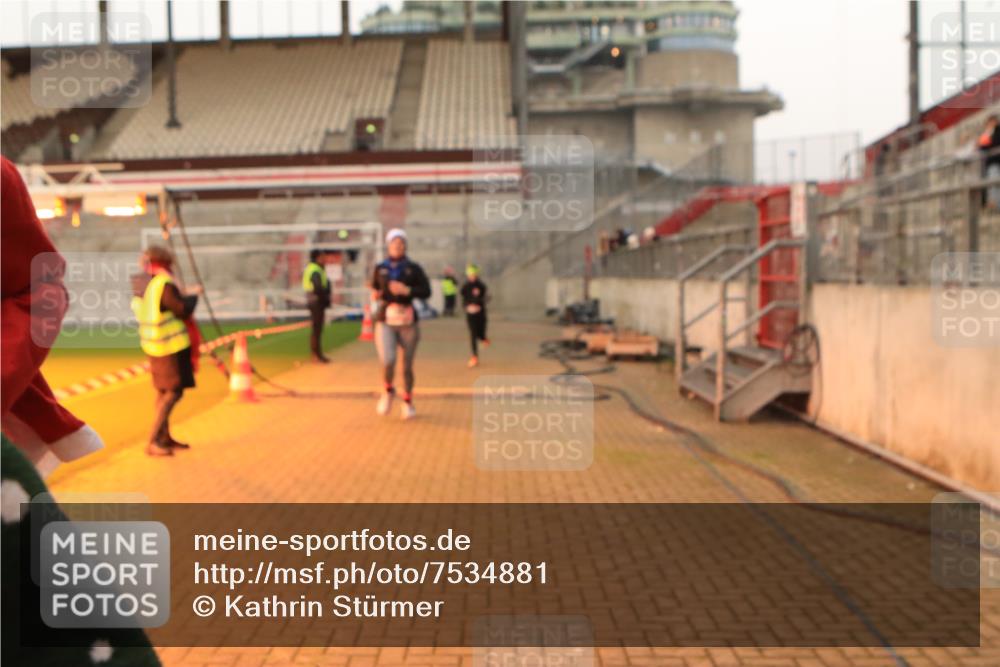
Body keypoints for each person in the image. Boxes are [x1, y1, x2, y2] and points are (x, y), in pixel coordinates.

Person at [131, 246, 200, 457]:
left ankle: (164, 437)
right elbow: (180, 309)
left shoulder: (142, 282)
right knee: (173, 391)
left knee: (162, 391)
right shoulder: (163, 283)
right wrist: (193, 296)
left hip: (154, 345)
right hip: (170, 347)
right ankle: (153, 440)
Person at [370, 229, 431, 419]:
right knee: (387, 360)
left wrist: (408, 290)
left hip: (407, 321)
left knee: (407, 366)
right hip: (386, 319)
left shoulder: (413, 268)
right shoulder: (381, 267)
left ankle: (408, 401)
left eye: (401, 243)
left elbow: (426, 291)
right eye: (394, 244)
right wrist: (376, 293)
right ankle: (388, 390)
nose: (398, 247)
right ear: (388, 246)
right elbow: (374, 286)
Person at [302, 248, 331, 363]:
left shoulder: (316, 269)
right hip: (316, 302)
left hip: (316, 302)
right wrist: (325, 298)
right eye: (323, 257)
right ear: (318, 257)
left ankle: (317, 354)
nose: (325, 259)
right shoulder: (315, 270)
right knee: (316, 329)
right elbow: (318, 288)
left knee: (317, 329)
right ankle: (316, 355)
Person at [461, 263, 490, 368]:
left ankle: (484, 339)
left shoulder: (481, 286)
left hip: (481, 313)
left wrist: (480, 302)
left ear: (476, 274)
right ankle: (474, 356)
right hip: (470, 314)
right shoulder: (465, 287)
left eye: (473, 274)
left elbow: (486, 298)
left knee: (480, 333)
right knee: (473, 334)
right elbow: (464, 300)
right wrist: (467, 306)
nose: (472, 276)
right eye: (470, 274)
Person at [978, 115, 1000, 210]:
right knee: (993, 186)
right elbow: (982, 147)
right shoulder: (987, 134)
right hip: (992, 163)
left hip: (996, 161)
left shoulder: (997, 132)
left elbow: (993, 144)